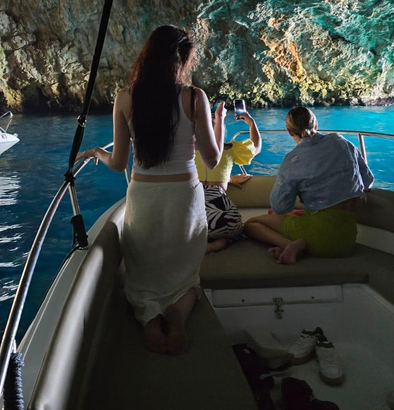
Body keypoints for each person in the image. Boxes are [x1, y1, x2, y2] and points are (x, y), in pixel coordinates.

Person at [77, 25, 225, 355]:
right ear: (184, 59)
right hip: (183, 198)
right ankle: (178, 313)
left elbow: (118, 163)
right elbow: (212, 160)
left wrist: (96, 153)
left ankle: (149, 317)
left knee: (142, 276)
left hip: (143, 196)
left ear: (147, 55)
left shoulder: (126, 98)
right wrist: (219, 123)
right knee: (186, 276)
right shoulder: (193, 96)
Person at [244, 106, 373, 264]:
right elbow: (367, 181)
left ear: (290, 131)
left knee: (250, 225)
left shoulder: (292, 159)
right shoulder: (341, 141)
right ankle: (297, 244)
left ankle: (290, 245)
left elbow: (279, 207)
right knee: (302, 216)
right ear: (316, 124)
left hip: (316, 235)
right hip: (347, 240)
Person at [195, 108, 262, 253]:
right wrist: (251, 123)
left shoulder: (188, 152)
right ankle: (221, 242)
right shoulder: (230, 150)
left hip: (194, 220)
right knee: (236, 229)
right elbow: (256, 147)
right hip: (222, 221)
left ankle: (201, 242)